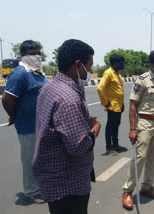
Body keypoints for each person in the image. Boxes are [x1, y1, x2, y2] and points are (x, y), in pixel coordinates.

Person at [32, 39, 101, 214]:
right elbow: (77, 147)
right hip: (68, 184)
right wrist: (94, 129)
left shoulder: (49, 88)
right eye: (89, 66)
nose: (91, 71)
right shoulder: (68, 99)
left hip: (53, 178)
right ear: (78, 65)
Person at [1, 40, 48, 204]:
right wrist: (13, 115)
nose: (37, 56)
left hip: (41, 124)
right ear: (23, 55)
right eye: (32, 53)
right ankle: (32, 191)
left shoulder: (37, 72)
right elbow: (7, 99)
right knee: (30, 159)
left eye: (38, 52)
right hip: (28, 125)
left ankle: (41, 186)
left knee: (41, 158)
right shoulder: (20, 73)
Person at [122, 50, 154, 210]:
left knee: (153, 158)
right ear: (151, 65)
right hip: (145, 123)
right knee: (139, 158)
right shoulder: (142, 80)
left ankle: (147, 186)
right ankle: (127, 191)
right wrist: (132, 129)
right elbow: (133, 105)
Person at [97, 54, 127, 155]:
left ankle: (115, 145)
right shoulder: (108, 73)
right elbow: (100, 88)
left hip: (118, 105)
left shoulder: (117, 74)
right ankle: (109, 147)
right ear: (115, 63)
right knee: (110, 126)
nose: (122, 65)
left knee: (116, 125)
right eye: (121, 63)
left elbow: (118, 90)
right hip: (112, 105)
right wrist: (105, 102)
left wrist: (122, 104)